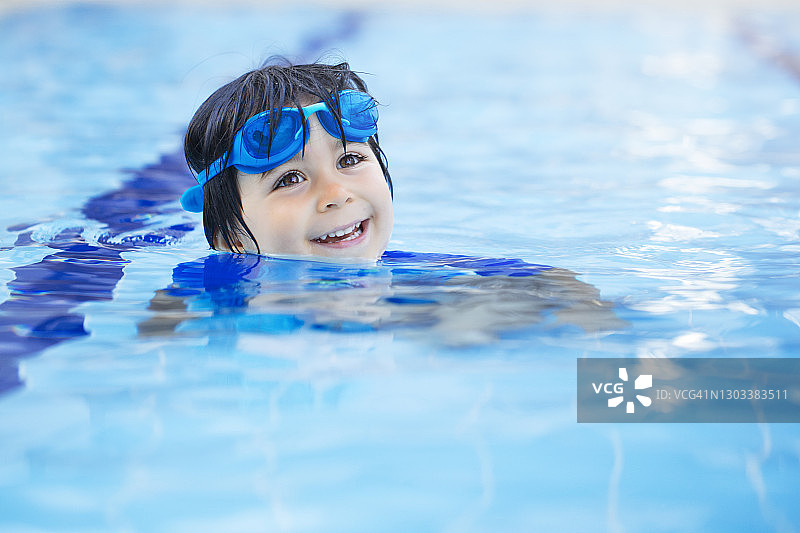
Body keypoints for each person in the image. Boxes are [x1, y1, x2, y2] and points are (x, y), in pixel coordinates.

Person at [181, 60, 394, 261]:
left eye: (349, 160)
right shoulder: (199, 296)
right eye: (290, 179)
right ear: (231, 237)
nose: (337, 195)